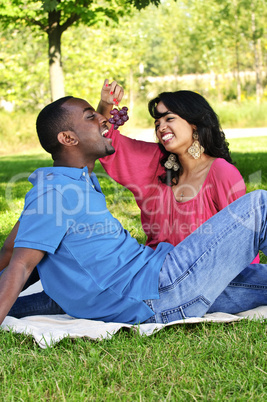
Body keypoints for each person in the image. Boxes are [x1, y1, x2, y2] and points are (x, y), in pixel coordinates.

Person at [0, 89, 267, 326]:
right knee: (261, 204)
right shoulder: (58, 190)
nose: (104, 120)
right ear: (68, 138)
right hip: (158, 287)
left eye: (169, 117)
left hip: (157, 277)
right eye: (90, 117)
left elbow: (12, 250)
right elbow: (21, 263)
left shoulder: (75, 181)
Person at [99, 82, 259, 265]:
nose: (161, 128)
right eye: (157, 123)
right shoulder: (156, 165)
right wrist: (106, 104)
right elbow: (105, 140)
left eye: (169, 119)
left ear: (195, 124)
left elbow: (244, 240)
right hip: (154, 275)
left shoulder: (221, 173)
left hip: (204, 280)